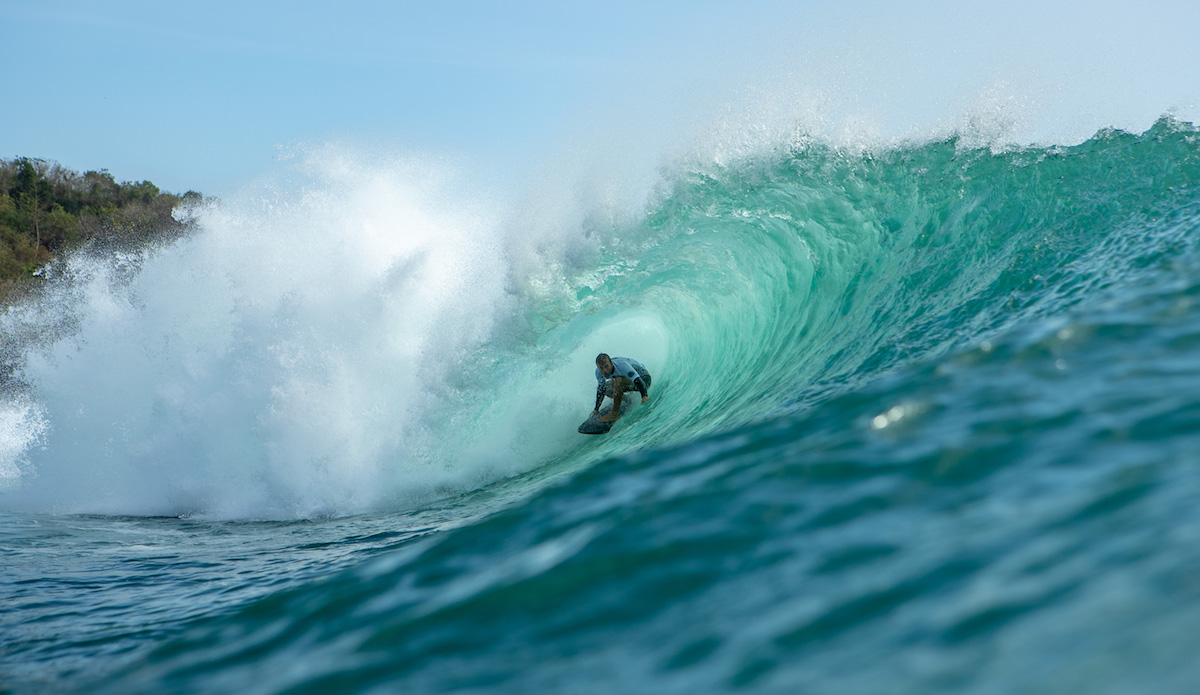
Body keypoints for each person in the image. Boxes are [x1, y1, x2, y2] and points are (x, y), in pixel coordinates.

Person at [591, 353, 651, 423]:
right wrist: (596, 409)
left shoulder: (622, 366)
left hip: (644, 380)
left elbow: (638, 381)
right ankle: (628, 400)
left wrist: (644, 396)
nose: (605, 371)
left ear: (611, 363)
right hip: (629, 382)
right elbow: (601, 390)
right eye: (601, 368)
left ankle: (614, 413)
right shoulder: (598, 372)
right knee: (605, 388)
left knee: (618, 380)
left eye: (606, 366)